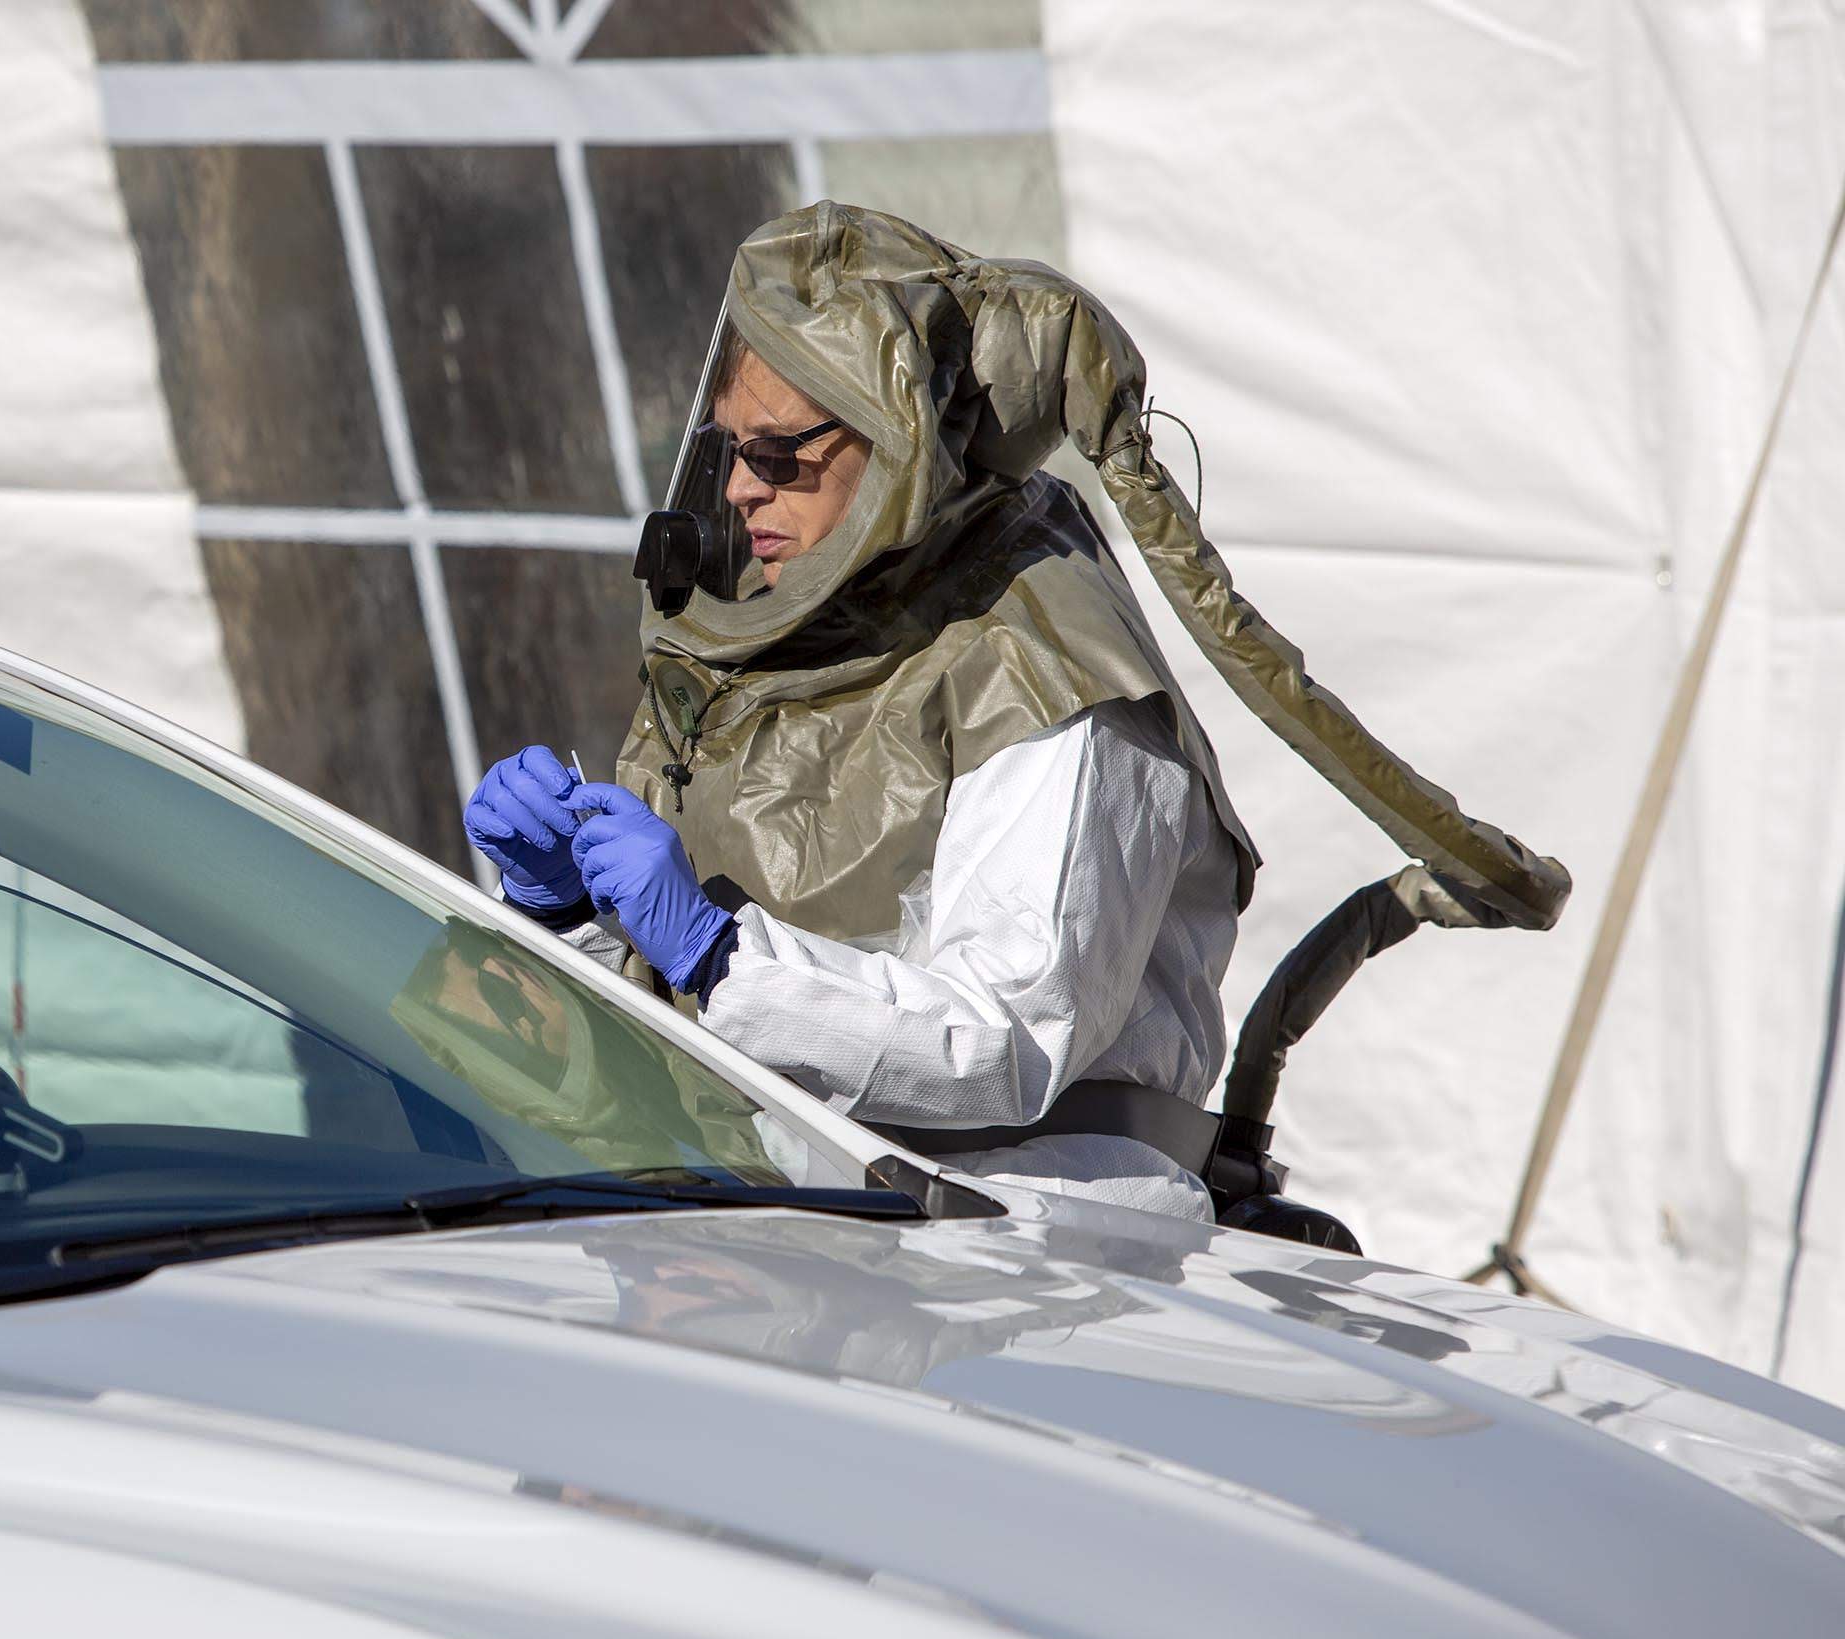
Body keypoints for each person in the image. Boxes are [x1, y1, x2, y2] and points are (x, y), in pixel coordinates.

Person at [470, 203, 1573, 1221]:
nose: (743, 490)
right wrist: (565, 912)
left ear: (901, 446)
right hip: (807, 1228)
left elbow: (1007, 1034)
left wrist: (718, 957)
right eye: (727, 450)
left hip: (1028, 1259)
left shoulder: (1046, 667)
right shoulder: (782, 639)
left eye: (778, 456)